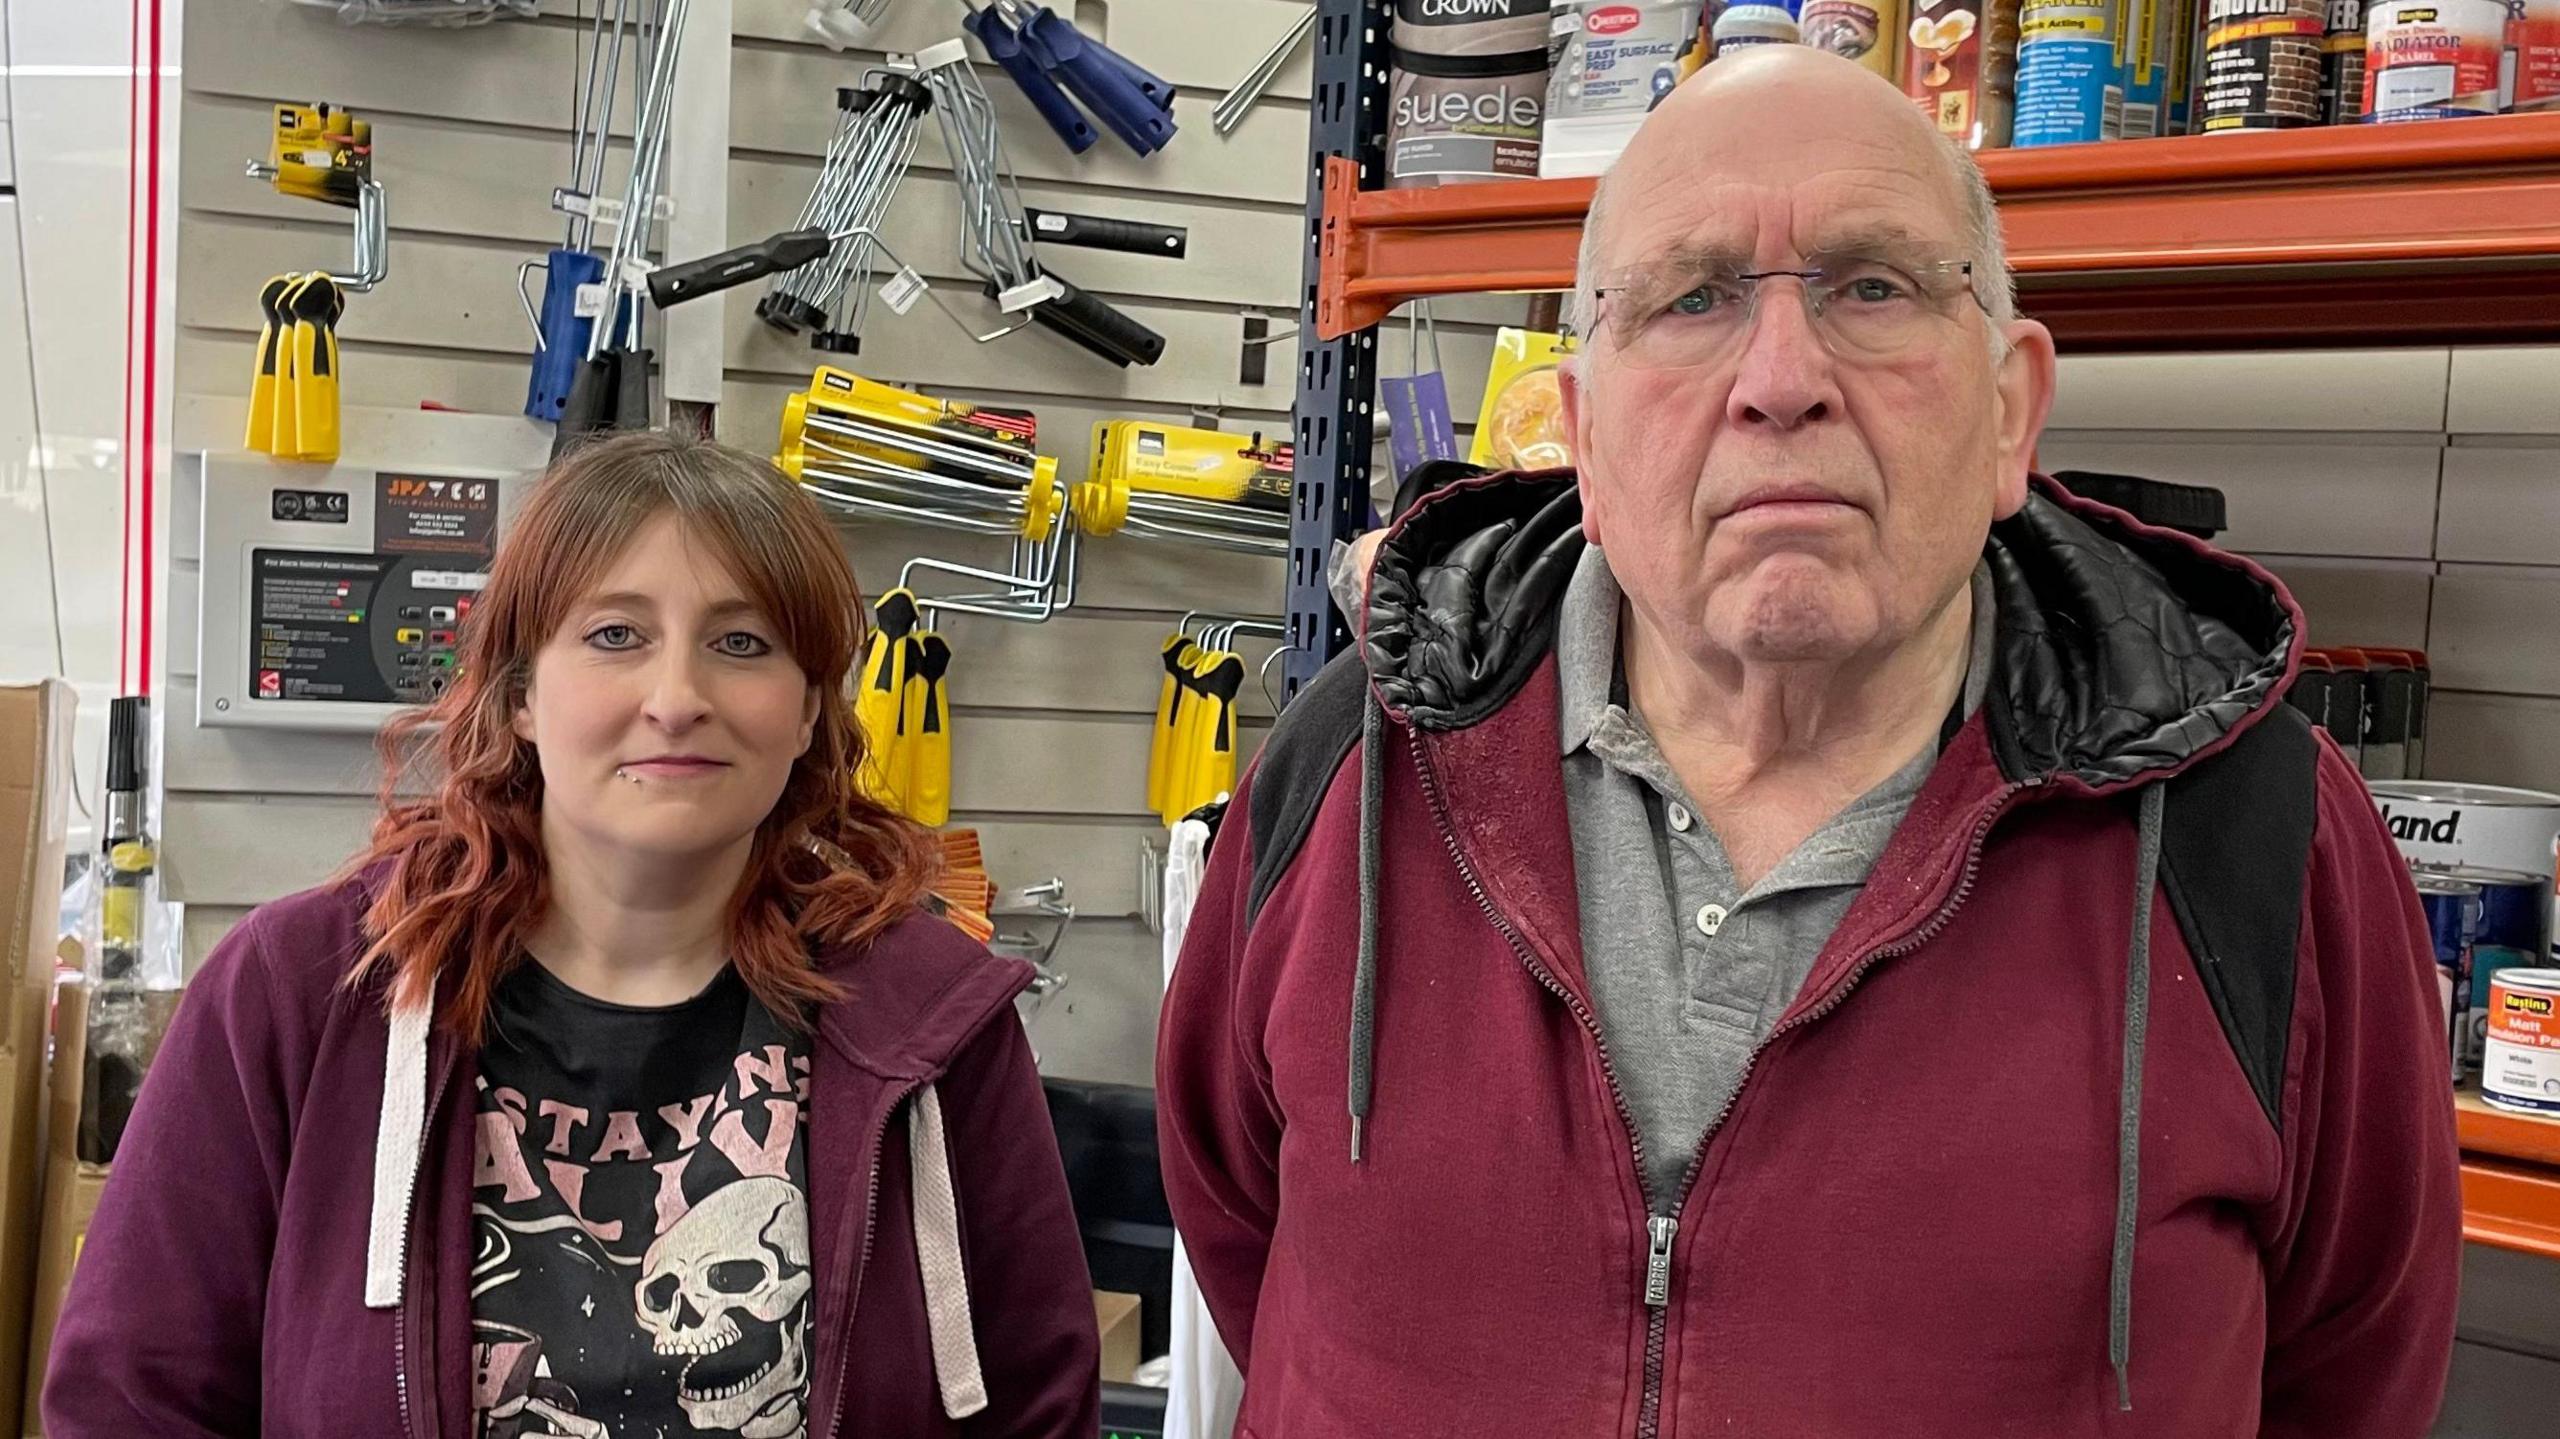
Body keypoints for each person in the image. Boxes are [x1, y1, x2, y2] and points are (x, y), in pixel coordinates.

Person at [1159, 46, 2460, 1438]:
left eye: (1874, 286)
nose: (1782, 379)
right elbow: (1246, 1226)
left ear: (2012, 407)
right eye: (1695, 296)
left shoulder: (2255, 828)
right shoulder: (1351, 765)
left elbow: (2353, 1365)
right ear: (1583, 437)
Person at [46, 431, 1100, 1438]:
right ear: (518, 697)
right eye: (614, 635)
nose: (677, 697)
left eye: (742, 643)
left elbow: (1036, 1407)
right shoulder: (302, 994)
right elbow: (132, 1399)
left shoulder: (931, 1029)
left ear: (814, 709)